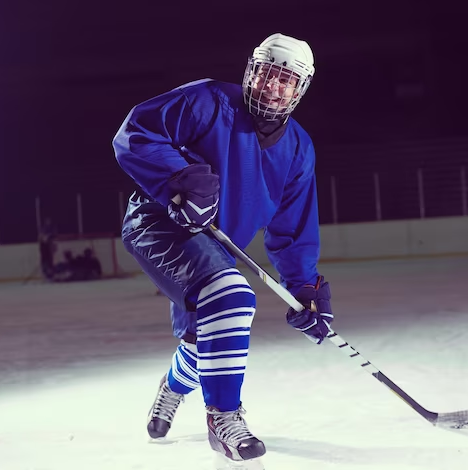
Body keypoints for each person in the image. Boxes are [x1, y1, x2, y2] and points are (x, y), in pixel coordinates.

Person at [112, 33, 334, 463]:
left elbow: (292, 228)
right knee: (232, 298)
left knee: (206, 340)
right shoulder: (207, 101)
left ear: (299, 90)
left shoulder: (299, 150)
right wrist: (180, 179)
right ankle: (223, 418)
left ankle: (172, 388)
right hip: (158, 223)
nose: (273, 86)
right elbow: (135, 132)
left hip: (214, 244)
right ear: (252, 72)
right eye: (268, 74)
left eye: (285, 81)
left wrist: (304, 287)